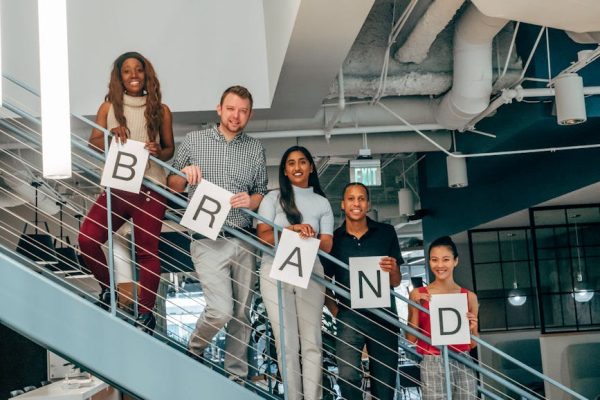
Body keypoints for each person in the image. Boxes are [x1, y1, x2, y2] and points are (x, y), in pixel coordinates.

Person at [167, 85, 267, 381]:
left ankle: (235, 378)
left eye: (243, 111)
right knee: (221, 310)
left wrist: (252, 201)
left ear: (249, 115)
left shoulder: (255, 149)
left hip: (243, 238)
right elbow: (172, 183)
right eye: (231, 108)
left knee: (241, 315)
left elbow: (261, 192)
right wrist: (184, 176)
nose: (236, 115)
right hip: (206, 238)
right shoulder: (194, 141)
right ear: (219, 109)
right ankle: (194, 350)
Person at [78, 51, 174, 334]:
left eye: (139, 70)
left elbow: (169, 150)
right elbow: (94, 144)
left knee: (147, 252)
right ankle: (109, 290)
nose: (133, 75)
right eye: (127, 71)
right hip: (118, 185)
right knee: (87, 239)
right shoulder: (108, 108)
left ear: (147, 74)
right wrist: (110, 134)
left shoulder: (162, 109)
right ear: (119, 77)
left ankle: (145, 314)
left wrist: (159, 150)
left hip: (151, 187)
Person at [257, 145, 334, 400]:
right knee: (286, 342)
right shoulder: (272, 198)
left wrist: (309, 235)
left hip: (311, 270)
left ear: (311, 167)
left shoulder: (321, 202)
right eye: (291, 163)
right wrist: (289, 231)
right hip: (274, 270)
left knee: (312, 341)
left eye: (303, 162)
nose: (297, 167)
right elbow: (263, 236)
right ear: (285, 171)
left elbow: (327, 244)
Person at [322, 182, 402, 400]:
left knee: (385, 385)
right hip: (349, 317)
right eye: (351, 198)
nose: (356, 203)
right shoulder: (334, 240)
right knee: (347, 375)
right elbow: (325, 281)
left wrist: (394, 269)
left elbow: (395, 282)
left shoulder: (387, 233)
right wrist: (337, 312)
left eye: (361, 198)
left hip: (384, 316)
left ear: (368, 204)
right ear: (343, 204)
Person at [406, 236, 479, 400]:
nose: (439, 265)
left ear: (455, 261)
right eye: (434, 260)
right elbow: (410, 339)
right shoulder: (418, 294)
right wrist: (415, 307)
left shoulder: (469, 297)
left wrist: (473, 328)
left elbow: (473, 343)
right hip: (432, 361)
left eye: (445, 259)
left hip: (463, 359)